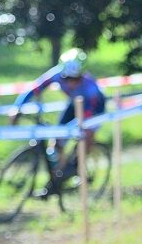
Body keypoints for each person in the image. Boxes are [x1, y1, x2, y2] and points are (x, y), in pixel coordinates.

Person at [9, 49, 105, 186]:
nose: (71, 83)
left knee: (86, 134)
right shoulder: (55, 74)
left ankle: (79, 166)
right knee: (57, 141)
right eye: (67, 78)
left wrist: (78, 129)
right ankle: (60, 174)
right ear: (62, 73)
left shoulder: (91, 87)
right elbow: (34, 88)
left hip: (94, 108)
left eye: (76, 79)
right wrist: (17, 108)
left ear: (82, 75)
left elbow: (88, 114)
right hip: (73, 104)